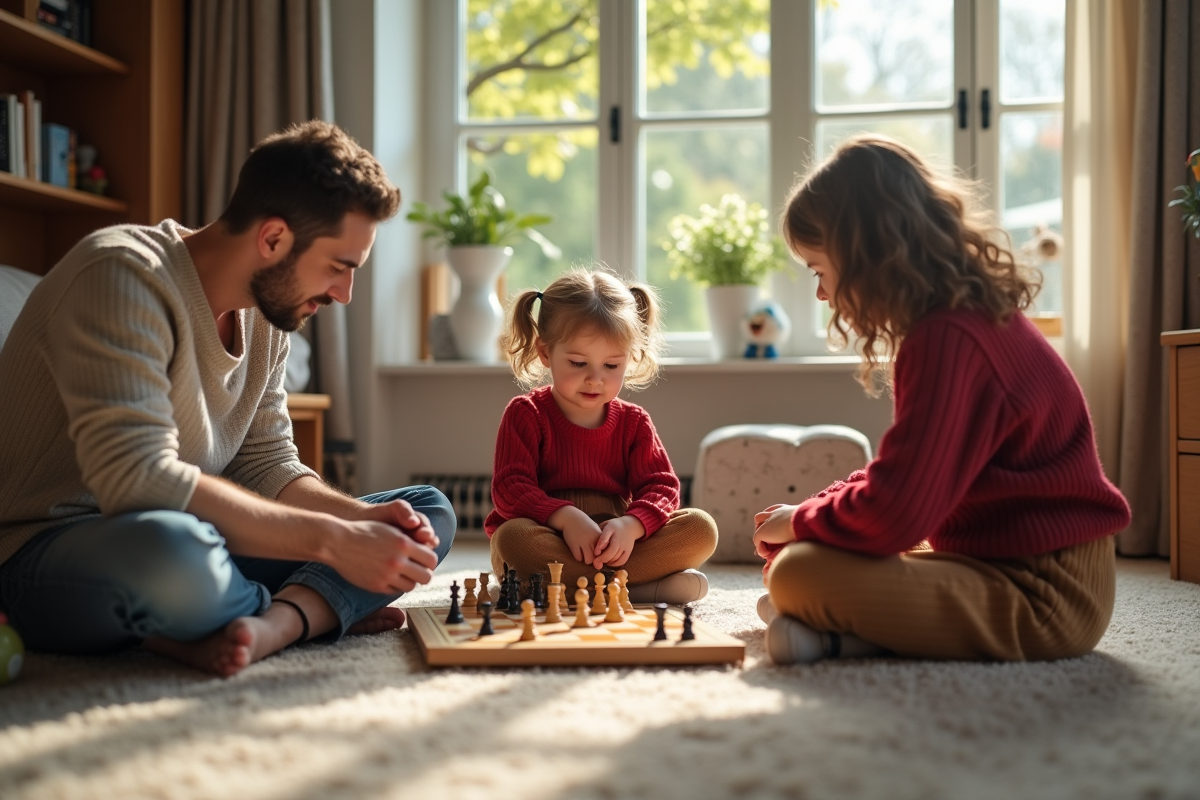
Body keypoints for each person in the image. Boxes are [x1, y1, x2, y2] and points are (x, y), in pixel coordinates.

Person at [0, 121, 455, 678]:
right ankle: (314, 609)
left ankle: (270, 623)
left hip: (193, 531)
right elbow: (136, 480)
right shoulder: (121, 275)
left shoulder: (269, 318)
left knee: (425, 513)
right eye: (340, 267)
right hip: (46, 549)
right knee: (179, 558)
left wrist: (359, 519)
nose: (344, 293)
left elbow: (267, 462)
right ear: (273, 239)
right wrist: (334, 545)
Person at [752, 134, 1131, 665]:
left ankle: (845, 634)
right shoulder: (960, 322)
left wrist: (798, 519)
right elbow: (909, 473)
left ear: (862, 255)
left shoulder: (949, 338)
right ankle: (841, 629)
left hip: (1047, 597)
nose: (820, 294)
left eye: (819, 270)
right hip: (1003, 562)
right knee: (819, 553)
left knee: (799, 572)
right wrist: (813, 513)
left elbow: (898, 513)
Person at [487, 268, 717, 603]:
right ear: (545, 352)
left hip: (618, 544)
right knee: (513, 540)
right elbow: (510, 488)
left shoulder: (634, 421)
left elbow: (662, 487)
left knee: (701, 528)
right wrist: (565, 518)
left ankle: (565, 589)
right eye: (579, 363)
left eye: (611, 366)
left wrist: (631, 525)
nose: (595, 379)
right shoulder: (526, 413)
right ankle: (634, 589)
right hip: (550, 537)